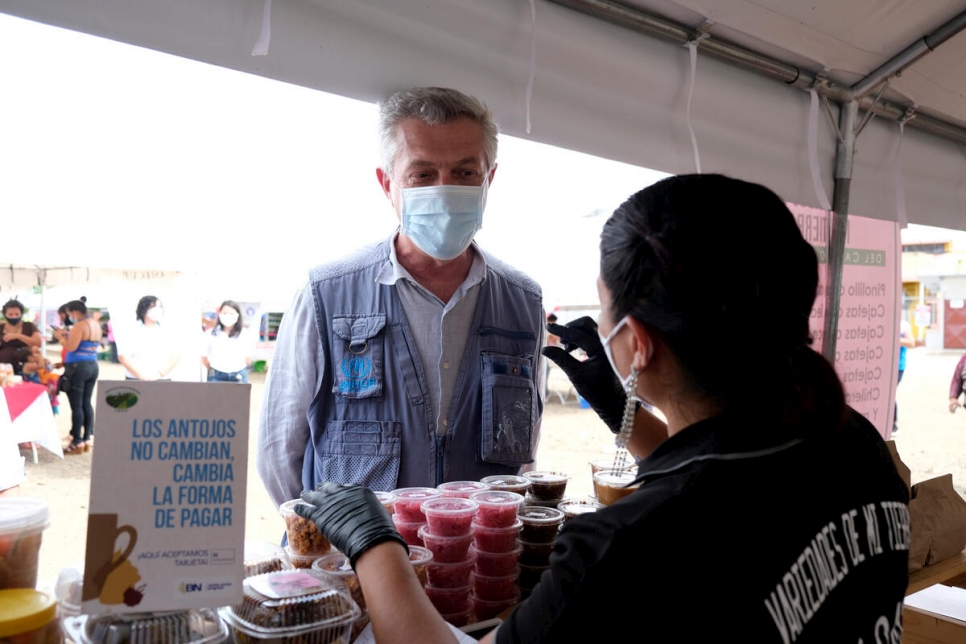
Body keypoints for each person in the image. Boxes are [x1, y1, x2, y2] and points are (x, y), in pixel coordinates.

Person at [295, 175, 909, 643]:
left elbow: (697, 502)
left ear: (636, 341)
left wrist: (376, 544)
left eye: (605, 304)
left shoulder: (622, 546)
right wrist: (617, 401)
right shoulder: (852, 442)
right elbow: (711, 467)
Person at [258, 86, 546, 507]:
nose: (444, 191)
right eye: (423, 175)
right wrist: (329, 546)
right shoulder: (325, 294)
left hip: (473, 562)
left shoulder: (524, 302)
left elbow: (524, 450)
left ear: (490, 179)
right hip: (353, 566)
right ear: (387, 183)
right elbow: (278, 449)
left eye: (466, 174)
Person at [56, 299, 102, 454]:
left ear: (74, 312)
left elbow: (71, 347)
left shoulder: (80, 325)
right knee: (86, 403)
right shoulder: (95, 324)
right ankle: (87, 437)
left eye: (69, 314)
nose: (69, 317)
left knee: (77, 405)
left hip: (78, 367)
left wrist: (60, 337)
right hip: (92, 365)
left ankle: (77, 441)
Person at [116, 295, 180, 381]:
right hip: (136, 380)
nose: (158, 309)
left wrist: (159, 374)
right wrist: (141, 376)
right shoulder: (131, 331)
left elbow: (175, 356)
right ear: (144, 311)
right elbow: (123, 357)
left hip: (163, 380)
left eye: (160, 306)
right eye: (154, 306)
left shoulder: (168, 331)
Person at [202, 300, 255, 383]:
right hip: (216, 374)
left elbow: (248, 359)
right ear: (219, 314)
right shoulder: (210, 334)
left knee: (240, 396)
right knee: (214, 396)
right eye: (225, 313)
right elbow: (203, 357)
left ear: (237, 316)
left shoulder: (245, 334)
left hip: (239, 374)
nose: (228, 316)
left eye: (231, 313)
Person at [0, 299, 42, 375]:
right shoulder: (1, 327)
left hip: (24, 367)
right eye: (10, 314)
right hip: (3, 367)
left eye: (17, 314)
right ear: (5, 314)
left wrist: (17, 336)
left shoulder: (29, 326)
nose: (14, 317)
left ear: (21, 314)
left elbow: (38, 343)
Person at [21, 345, 61, 415]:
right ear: (29, 357)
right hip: (32, 390)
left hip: (36, 388)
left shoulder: (31, 364)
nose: (37, 356)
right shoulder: (27, 365)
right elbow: (41, 366)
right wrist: (40, 354)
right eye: (35, 354)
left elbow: (45, 367)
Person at [894, 318, 914, 433]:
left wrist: (893, 337)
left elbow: (911, 342)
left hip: (898, 366)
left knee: (890, 394)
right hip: (883, 365)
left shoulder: (903, 324)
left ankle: (893, 424)